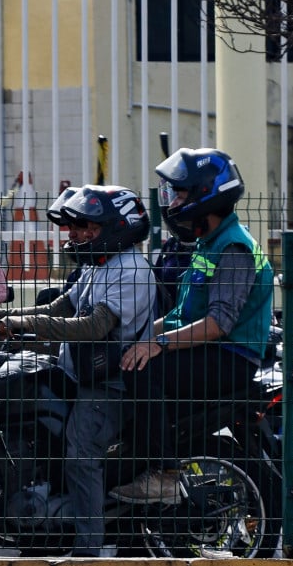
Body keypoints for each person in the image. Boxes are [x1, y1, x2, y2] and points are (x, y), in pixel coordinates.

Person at [0, 185, 157, 556]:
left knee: (81, 453)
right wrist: (7, 319)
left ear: (118, 227)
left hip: (108, 385)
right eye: (74, 226)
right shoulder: (99, 264)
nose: (76, 233)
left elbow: (94, 326)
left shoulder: (130, 270)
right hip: (77, 374)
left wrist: (23, 326)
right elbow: (65, 305)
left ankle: (87, 552)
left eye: (87, 227)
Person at [116, 148, 275, 502]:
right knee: (123, 355)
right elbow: (181, 317)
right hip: (208, 350)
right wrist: (132, 334)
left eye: (180, 192)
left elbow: (218, 324)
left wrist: (157, 345)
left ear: (207, 192)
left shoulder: (234, 249)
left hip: (228, 357)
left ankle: (164, 474)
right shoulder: (210, 243)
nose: (172, 201)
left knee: (140, 368)